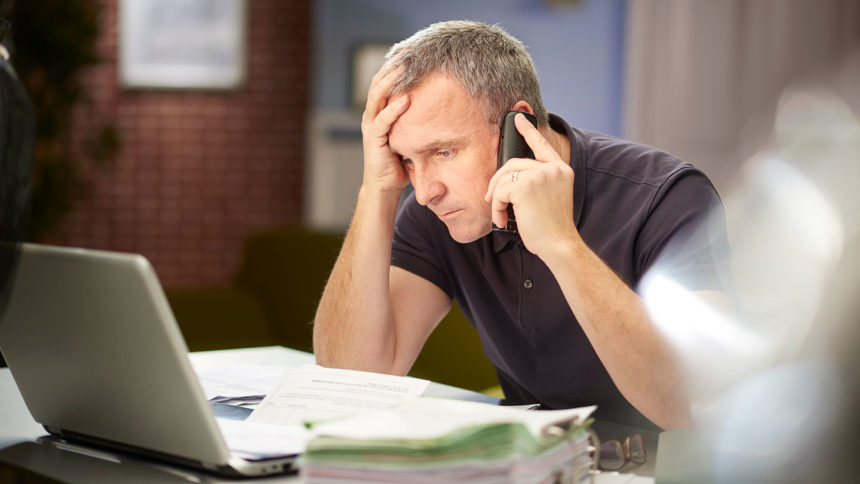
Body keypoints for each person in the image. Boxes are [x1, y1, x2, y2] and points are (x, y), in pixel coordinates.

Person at [313, 20, 731, 431]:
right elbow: (352, 379)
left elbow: (692, 404)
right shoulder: (436, 211)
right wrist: (377, 190)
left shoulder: (667, 196)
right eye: (407, 159)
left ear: (520, 127)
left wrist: (561, 243)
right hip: (529, 459)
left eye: (442, 152)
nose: (424, 191)